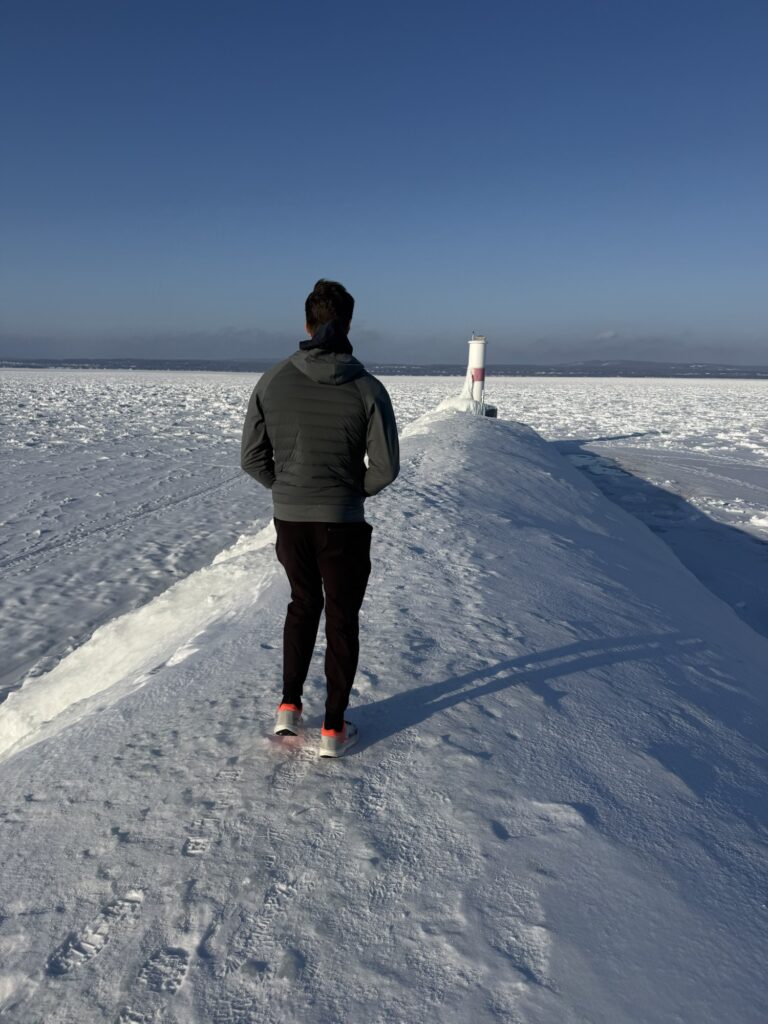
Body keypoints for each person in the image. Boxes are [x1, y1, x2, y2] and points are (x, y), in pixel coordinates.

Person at [241, 280, 400, 757]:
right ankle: (333, 729)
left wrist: (289, 490)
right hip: (343, 525)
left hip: (290, 522)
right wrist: (349, 495)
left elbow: (251, 458)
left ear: (306, 324)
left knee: (302, 605)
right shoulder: (368, 388)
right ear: (349, 324)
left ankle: (289, 707)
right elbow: (386, 468)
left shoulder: (272, 380)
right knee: (342, 619)